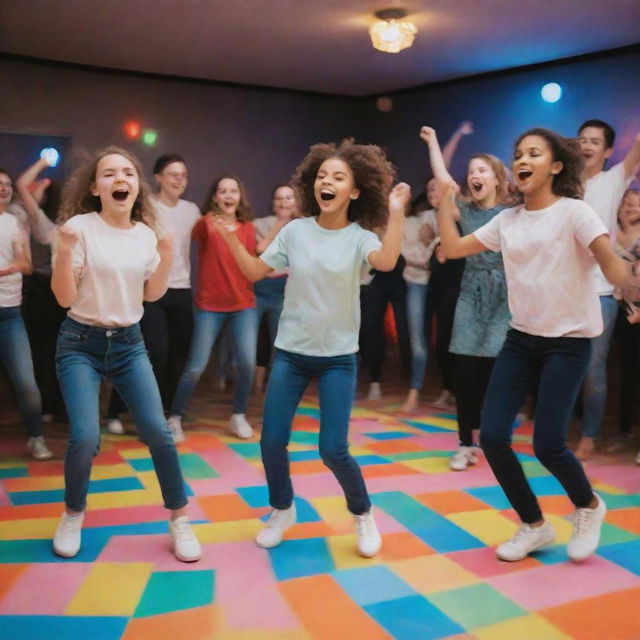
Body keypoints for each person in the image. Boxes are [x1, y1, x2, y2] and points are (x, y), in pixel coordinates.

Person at [438, 128, 638, 563]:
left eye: (534, 153)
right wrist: (442, 204)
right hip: (521, 339)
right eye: (518, 154)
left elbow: (609, 261)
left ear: (556, 166)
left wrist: (628, 284)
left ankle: (588, 506)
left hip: (567, 344)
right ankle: (534, 524)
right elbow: (452, 248)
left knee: (548, 444)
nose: (522, 160)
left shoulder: (576, 213)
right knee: (491, 437)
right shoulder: (507, 220)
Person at [214, 139, 410, 557]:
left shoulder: (360, 238)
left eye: (338, 177)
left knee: (333, 449)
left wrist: (396, 214)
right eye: (322, 175)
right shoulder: (296, 231)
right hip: (291, 353)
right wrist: (232, 239)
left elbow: (389, 261)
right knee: (271, 442)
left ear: (354, 192)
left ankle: (362, 514)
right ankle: (282, 509)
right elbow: (255, 270)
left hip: (337, 359)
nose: (328, 182)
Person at [50, 146, 200, 561]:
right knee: (85, 436)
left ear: (137, 187)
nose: (120, 179)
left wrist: (167, 254)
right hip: (80, 342)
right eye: (109, 174)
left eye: (128, 173)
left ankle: (180, 518)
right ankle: (73, 512)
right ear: (96, 188)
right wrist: (63, 251)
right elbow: (64, 298)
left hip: (129, 344)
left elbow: (152, 294)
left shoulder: (144, 235)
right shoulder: (78, 228)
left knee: (158, 431)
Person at [420, 125, 512, 471]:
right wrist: (433, 142)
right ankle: (464, 444)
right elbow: (443, 179)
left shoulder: (511, 212)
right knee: (465, 374)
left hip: (503, 295)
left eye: (482, 170)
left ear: (497, 178)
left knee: (494, 373)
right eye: (471, 171)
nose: (475, 175)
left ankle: (493, 438)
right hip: (470, 293)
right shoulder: (465, 210)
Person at [105, 154, 200, 436]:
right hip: (151, 290)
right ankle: (115, 411)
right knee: (151, 354)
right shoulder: (147, 208)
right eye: (173, 174)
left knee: (176, 356)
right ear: (158, 178)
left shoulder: (192, 210)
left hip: (182, 290)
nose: (179, 180)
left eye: (183, 175)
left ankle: (165, 414)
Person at [168, 175, 258, 441]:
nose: (228, 195)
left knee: (247, 363)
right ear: (215, 197)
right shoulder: (206, 224)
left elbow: (251, 261)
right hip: (210, 306)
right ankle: (174, 417)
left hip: (243, 304)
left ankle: (238, 415)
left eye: (233, 191)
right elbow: (197, 233)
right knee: (195, 366)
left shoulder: (248, 228)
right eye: (222, 191)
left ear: (240, 196)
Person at [575, 121, 640, 460]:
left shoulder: (614, 180)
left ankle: (589, 434)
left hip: (600, 290)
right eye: (582, 140)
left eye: (595, 141)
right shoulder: (564, 184)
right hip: (566, 288)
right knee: (561, 361)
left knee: (593, 366)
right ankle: (558, 426)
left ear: (608, 150)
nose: (587, 145)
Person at [401, 121, 473, 413]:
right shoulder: (419, 219)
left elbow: (444, 171)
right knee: (430, 339)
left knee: (452, 338)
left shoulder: (461, 211)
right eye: (431, 188)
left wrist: (451, 136)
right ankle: (425, 391)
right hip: (424, 282)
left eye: (439, 188)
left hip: (453, 283)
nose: (436, 190)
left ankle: (455, 393)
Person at [0, 167, 53, 460]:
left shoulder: (15, 224)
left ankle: (36, 437)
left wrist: (7, 269)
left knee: (26, 382)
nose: (5, 188)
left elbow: (27, 265)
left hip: (9, 314)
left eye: (8, 184)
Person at [14, 155, 67, 424]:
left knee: (47, 351)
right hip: (49, 294)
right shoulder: (51, 227)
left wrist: (42, 164)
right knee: (52, 351)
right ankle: (50, 406)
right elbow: (23, 187)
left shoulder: (52, 227)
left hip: (49, 294)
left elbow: (22, 185)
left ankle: (48, 406)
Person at [252, 184, 298, 393]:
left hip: (285, 290)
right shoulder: (260, 224)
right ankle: (252, 384)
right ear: (273, 203)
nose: (284, 202)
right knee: (253, 340)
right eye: (279, 198)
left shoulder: (303, 227)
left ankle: (276, 386)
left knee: (279, 342)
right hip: (259, 288)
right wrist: (280, 223)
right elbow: (261, 252)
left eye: (289, 198)